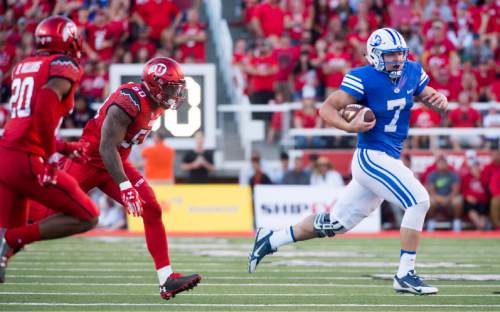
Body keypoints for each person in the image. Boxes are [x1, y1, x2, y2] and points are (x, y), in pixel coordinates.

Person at [248, 28, 448, 295]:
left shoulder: (412, 70)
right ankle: (405, 274)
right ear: (376, 56)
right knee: (419, 200)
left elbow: (426, 92)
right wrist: (348, 127)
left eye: (401, 54)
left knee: (336, 223)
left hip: (388, 156)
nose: (398, 60)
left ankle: (272, 238)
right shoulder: (362, 78)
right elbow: (327, 108)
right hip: (372, 156)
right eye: (391, 56)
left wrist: (439, 99)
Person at [30, 57, 201, 299]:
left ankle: (166, 279)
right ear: (154, 85)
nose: (175, 92)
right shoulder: (128, 101)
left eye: (176, 87)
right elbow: (105, 148)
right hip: (88, 160)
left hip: (115, 162)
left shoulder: (158, 101)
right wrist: (125, 186)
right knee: (41, 212)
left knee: (152, 208)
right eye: (170, 87)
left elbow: (117, 150)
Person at [0, 16, 99, 282]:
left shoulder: (23, 65)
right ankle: (7, 241)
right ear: (67, 39)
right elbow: (44, 105)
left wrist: (64, 147)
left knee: (13, 240)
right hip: (26, 160)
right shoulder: (63, 64)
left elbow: (25, 123)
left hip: (6, 155)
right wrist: (53, 156)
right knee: (88, 216)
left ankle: (7, 242)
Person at [425, 156, 463, 232]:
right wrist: (440, 199)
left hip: (450, 198)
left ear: (447, 164)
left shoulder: (453, 175)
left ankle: (456, 222)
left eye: (443, 163)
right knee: (429, 200)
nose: (442, 165)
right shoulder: (432, 175)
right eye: (440, 163)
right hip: (437, 198)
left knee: (458, 200)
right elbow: (431, 191)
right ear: (436, 164)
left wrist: (447, 199)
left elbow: (456, 191)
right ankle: (431, 221)